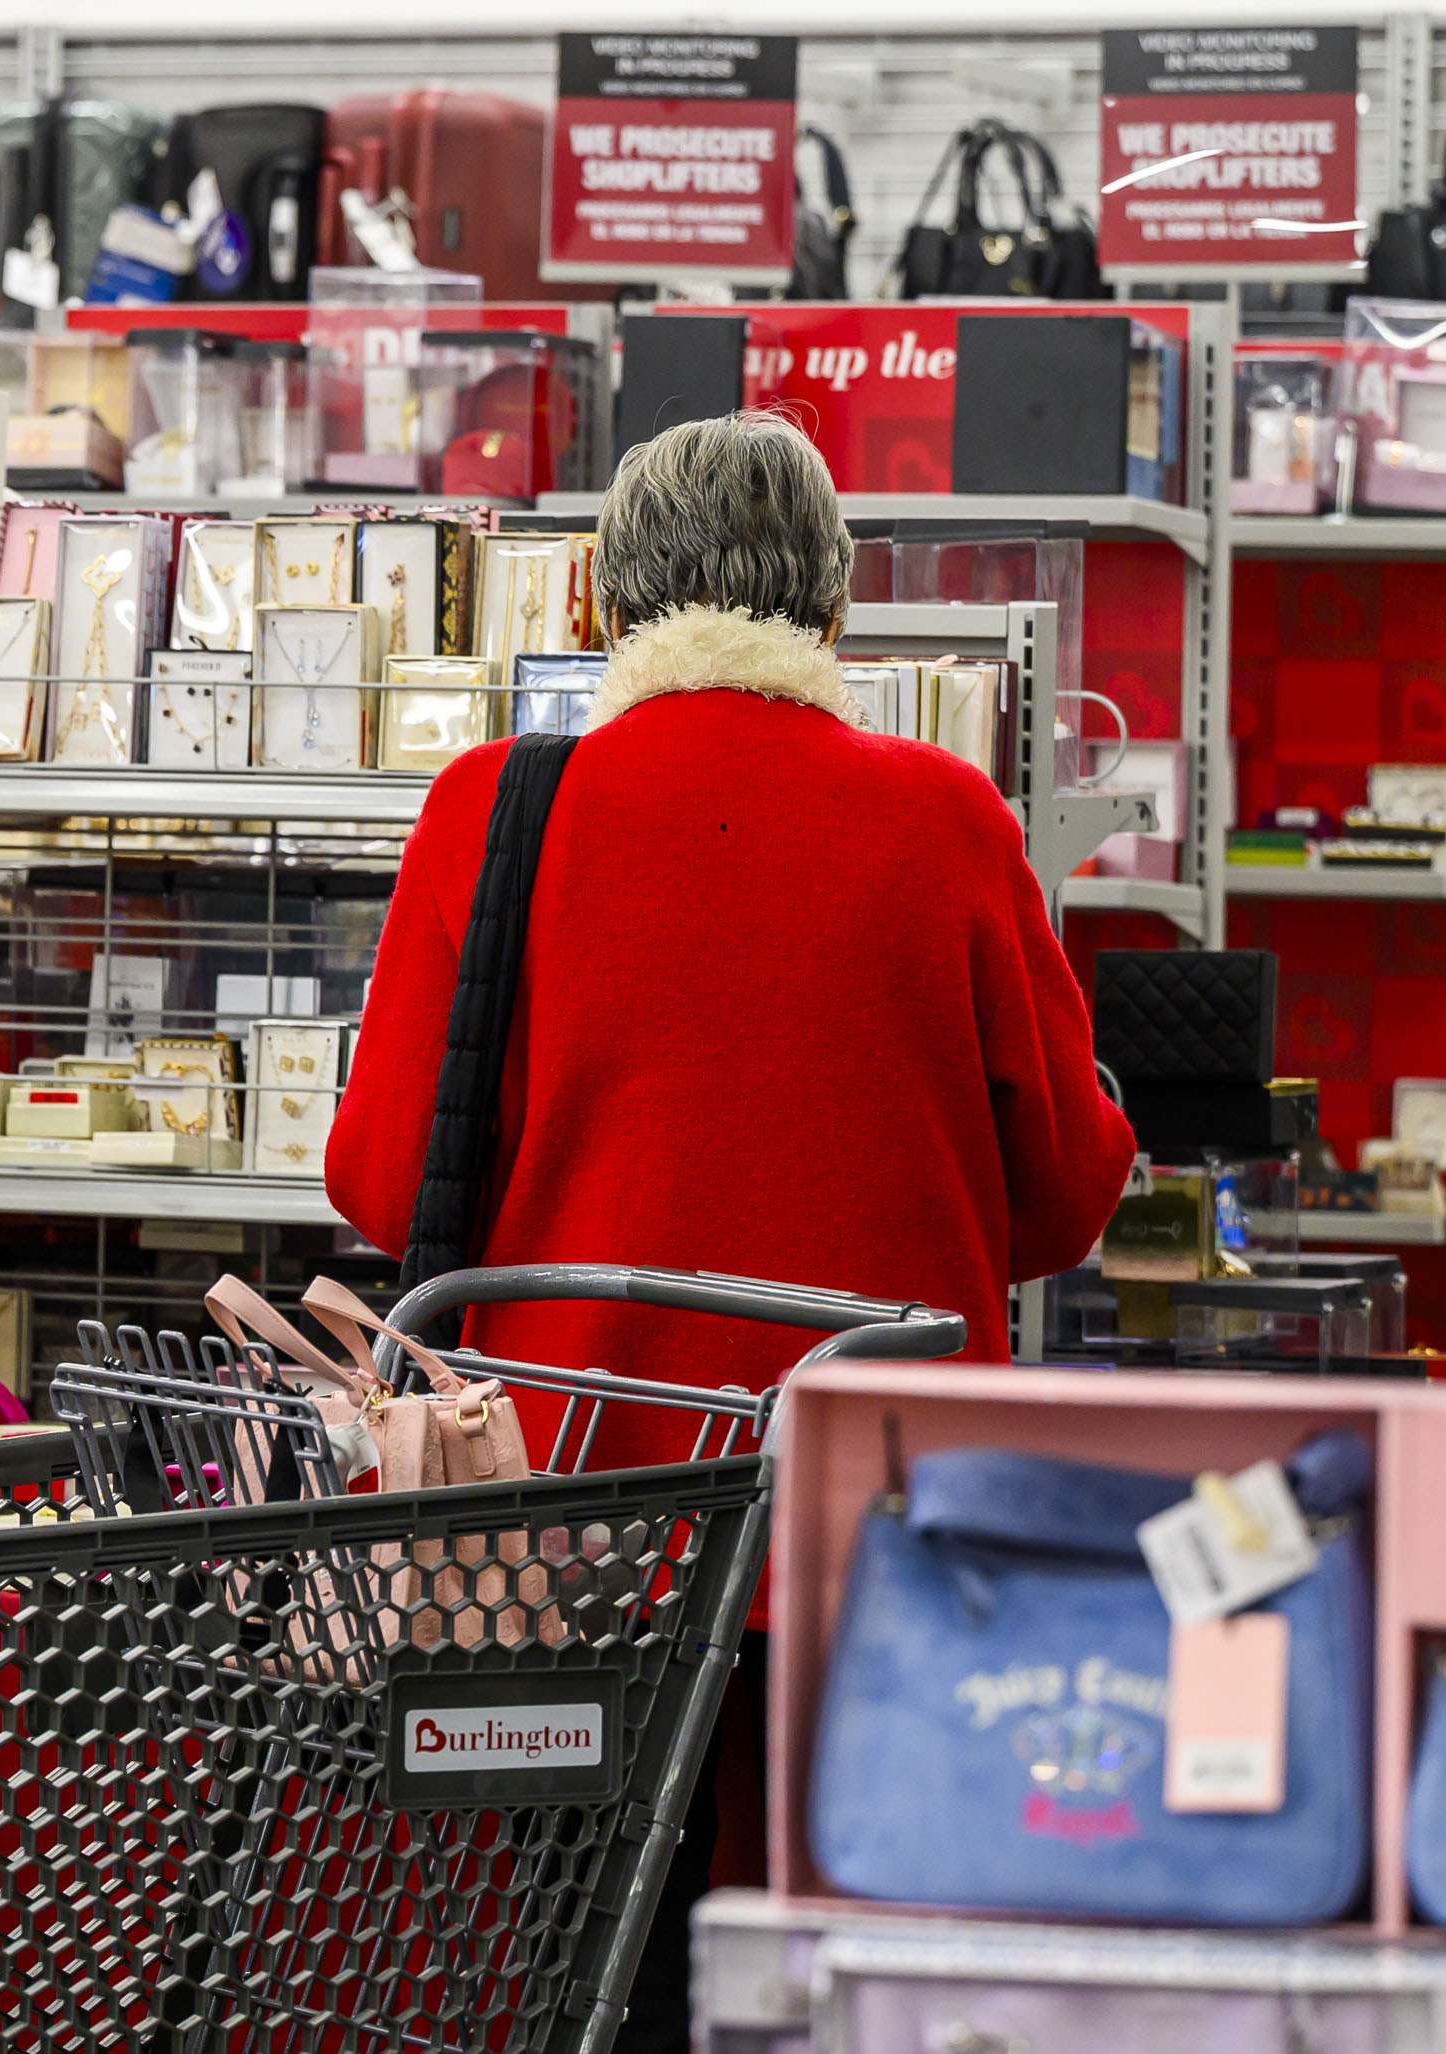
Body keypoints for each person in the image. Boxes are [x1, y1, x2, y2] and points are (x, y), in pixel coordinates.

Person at [324, 411, 1137, 2051]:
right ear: (834, 615)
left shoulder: (499, 806)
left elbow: (376, 1173)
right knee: (851, 1975)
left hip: (566, 1533)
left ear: (600, 607)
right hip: (879, 1532)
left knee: (583, 1973)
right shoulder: (948, 818)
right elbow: (1064, 1193)